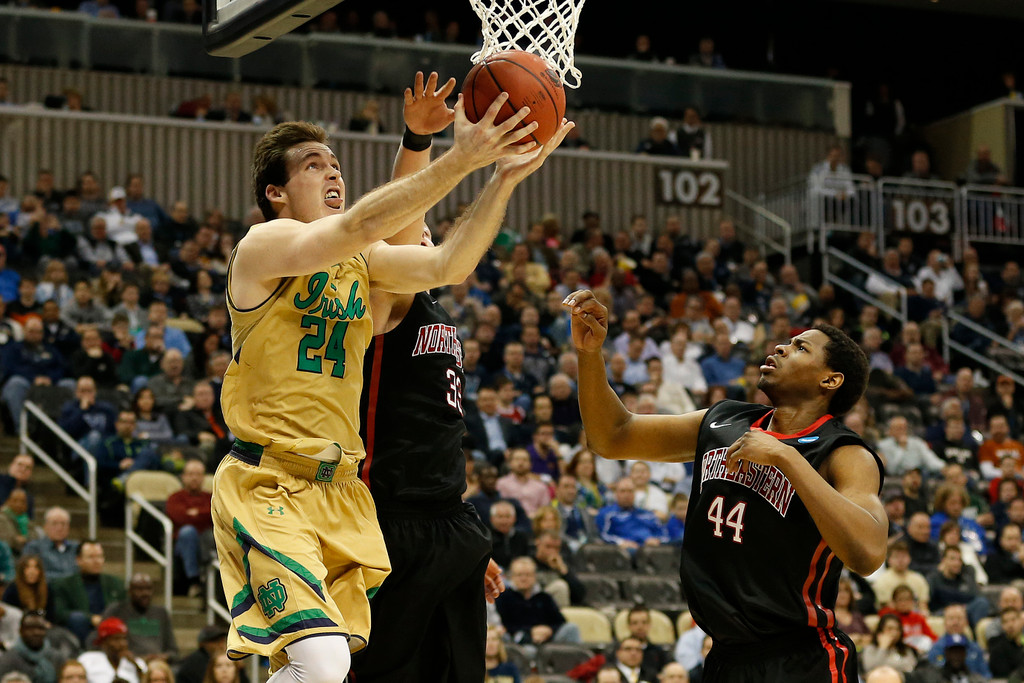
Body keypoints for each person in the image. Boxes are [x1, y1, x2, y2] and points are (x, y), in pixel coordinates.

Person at [212, 91, 571, 682]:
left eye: (335, 162)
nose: (332, 170)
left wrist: (502, 178)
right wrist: (458, 158)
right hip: (268, 481)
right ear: (276, 193)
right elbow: (360, 225)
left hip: (343, 493)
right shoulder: (263, 244)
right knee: (324, 665)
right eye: (312, 164)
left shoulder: (363, 264)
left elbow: (448, 263)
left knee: (327, 671)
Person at [565, 288, 884, 681]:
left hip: (802, 660)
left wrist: (787, 458)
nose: (782, 348)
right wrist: (590, 355)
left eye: (801, 348)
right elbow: (612, 436)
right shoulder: (724, 420)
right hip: (725, 658)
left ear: (830, 380)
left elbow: (868, 553)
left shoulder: (845, 453)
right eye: (787, 342)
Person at [348, 72, 518, 683]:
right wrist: (417, 143)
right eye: (409, 225)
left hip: (447, 521)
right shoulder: (381, 294)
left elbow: (441, 428)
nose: (420, 227)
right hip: (387, 521)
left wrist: (462, 541)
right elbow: (398, 213)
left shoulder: (435, 305)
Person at [51, 541, 126, 645]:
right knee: (77, 618)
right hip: (79, 632)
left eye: (100, 557)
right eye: (91, 557)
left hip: (110, 632)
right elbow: (60, 613)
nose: (97, 561)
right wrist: (90, 618)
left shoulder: (115, 583)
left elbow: (125, 610)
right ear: (78, 560)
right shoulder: (64, 585)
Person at [100, 574, 177, 662]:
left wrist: (163, 657)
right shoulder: (116, 610)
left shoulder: (161, 613)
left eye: (148, 589)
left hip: (157, 666)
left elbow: (173, 651)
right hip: (127, 662)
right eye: (139, 589)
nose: (145, 593)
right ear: (129, 591)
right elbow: (101, 642)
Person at [164, 460, 212, 598]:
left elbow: (216, 514)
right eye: (191, 474)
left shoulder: (211, 497)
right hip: (181, 545)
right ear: (183, 477)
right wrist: (203, 514)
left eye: (198, 474)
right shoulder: (175, 498)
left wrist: (196, 512)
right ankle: (195, 581)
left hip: (206, 541)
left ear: (203, 477)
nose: (194, 478)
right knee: (188, 532)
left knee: (212, 535)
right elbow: (180, 517)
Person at [0, 612, 64, 683]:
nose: (36, 632)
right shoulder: (8, 660)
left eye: (40, 628)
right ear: (20, 631)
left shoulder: (57, 658)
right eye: (30, 628)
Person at [77, 618, 146, 683]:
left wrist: (136, 667)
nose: (122, 644)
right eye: (116, 639)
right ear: (104, 642)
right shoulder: (88, 660)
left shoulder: (138, 663)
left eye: (124, 638)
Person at [22, 509, 78, 581]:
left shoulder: (76, 547)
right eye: (54, 524)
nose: (59, 528)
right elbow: (32, 574)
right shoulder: (34, 547)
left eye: (63, 524)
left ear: (69, 527)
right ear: (45, 527)